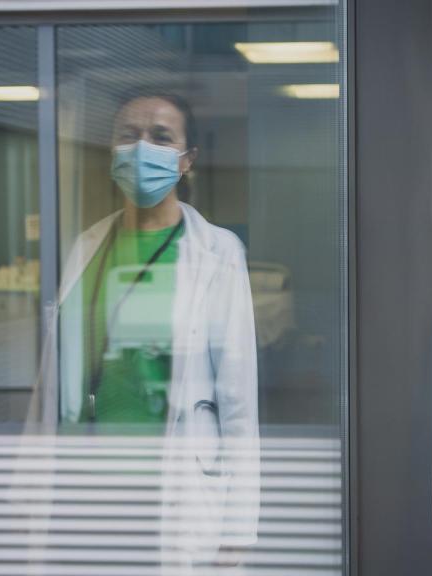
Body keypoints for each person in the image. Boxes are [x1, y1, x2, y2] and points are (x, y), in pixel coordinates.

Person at [31, 91, 259, 572]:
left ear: (186, 160)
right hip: (83, 491)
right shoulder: (87, 245)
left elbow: (238, 401)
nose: (140, 149)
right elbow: (53, 381)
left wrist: (237, 528)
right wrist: (27, 492)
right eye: (127, 136)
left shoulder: (217, 252)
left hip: (166, 491)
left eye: (160, 137)